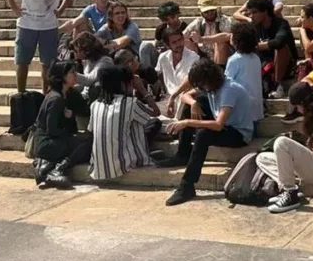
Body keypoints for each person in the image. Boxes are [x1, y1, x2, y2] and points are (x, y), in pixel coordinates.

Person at [165, 59, 255, 206]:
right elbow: (185, 96)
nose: (200, 87)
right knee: (191, 107)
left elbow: (219, 125)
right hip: (224, 124)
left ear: (208, 80)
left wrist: (187, 122)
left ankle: (187, 185)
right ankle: (182, 154)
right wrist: (193, 104)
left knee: (203, 134)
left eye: (201, 84)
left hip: (239, 133)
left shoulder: (228, 90)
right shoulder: (212, 86)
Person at [255, 82, 313, 213]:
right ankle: (291, 189)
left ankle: (290, 193)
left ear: (304, 103)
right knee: (262, 158)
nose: (297, 110)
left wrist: (308, 149)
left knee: (281, 143)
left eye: (297, 106)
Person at [2, 0, 75, 93]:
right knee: (22, 61)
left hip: (49, 24)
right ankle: (21, 93)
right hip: (27, 23)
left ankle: (46, 94)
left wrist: (60, 10)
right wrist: (14, 6)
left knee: (48, 63)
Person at [88, 66, 159, 181]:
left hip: (98, 167)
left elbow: (91, 129)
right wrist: (142, 89)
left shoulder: (95, 104)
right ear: (122, 84)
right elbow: (156, 112)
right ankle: (142, 157)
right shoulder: (130, 103)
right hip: (122, 165)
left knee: (128, 122)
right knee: (149, 123)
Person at [33, 61, 92, 189]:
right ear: (62, 76)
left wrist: (72, 115)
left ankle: (49, 168)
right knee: (86, 145)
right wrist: (69, 132)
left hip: (58, 139)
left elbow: (85, 110)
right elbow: (52, 130)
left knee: (86, 141)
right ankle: (58, 168)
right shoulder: (55, 99)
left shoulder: (69, 94)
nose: (75, 75)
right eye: (72, 73)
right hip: (47, 143)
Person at [247, 0, 298, 98]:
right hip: (265, 63)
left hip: (285, 64)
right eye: (250, 13)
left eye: (254, 12)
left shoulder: (281, 23)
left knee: (281, 48)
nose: (251, 16)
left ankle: (278, 85)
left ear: (265, 11)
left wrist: (256, 46)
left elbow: (278, 42)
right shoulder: (255, 26)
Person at [96, 1, 158, 69]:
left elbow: (121, 43)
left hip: (139, 59)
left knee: (146, 46)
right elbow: (93, 38)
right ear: (111, 16)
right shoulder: (106, 27)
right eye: (117, 13)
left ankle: (146, 75)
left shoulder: (132, 26)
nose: (121, 15)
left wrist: (105, 42)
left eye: (123, 13)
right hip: (122, 61)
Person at [225, 22, 264, 124]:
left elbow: (227, 84)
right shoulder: (256, 58)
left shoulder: (234, 60)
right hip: (256, 112)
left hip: (242, 114)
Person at [184, 0, 233, 66]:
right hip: (204, 54)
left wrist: (202, 39)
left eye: (212, 10)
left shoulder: (224, 20)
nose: (210, 13)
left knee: (221, 43)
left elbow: (227, 36)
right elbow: (183, 35)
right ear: (200, 12)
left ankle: (220, 70)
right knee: (187, 42)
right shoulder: (198, 22)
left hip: (222, 56)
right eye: (206, 12)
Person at [70, 32, 113, 98]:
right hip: (85, 95)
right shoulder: (87, 61)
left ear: (86, 50)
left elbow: (89, 80)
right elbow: (85, 85)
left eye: (77, 51)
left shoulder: (105, 61)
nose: (75, 54)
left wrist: (70, 73)